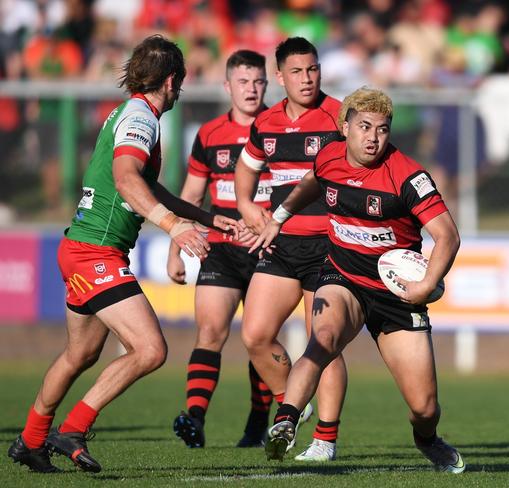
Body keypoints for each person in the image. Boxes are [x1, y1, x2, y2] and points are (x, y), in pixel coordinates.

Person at [7, 35, 237, 474]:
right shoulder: (141, 117)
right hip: (95, 252)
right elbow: (127, 177)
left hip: (81, 246)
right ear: (172, 81)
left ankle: (31, 441)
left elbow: (149, 186)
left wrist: (204, 218)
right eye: (181, 82)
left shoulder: (128, 112)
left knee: (80, 356)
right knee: (150, 349)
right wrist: (174, 227)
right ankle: (72, 429)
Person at [253, 87, 466, 473]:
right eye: (364, 127)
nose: (373, 137)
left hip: (397, 293)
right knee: (323, 340)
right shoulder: (329, 156)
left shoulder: (408, 175)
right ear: (345, 126)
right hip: (343, 276)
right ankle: (285, 421)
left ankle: (427, 440)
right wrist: (279, 217)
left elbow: (447, 235)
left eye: (382, 129)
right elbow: (313, 183)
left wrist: (425, 283)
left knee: (424, 407)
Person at [234, 37, 347, 462]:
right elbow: (247, 166)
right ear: (279, 77)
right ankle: (292, 403)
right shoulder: (266, 123)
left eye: (313, 69)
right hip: (282, 246)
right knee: (255, 335)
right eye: (297, 72)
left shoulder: (340, 116)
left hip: (331, 247)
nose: (306, 78)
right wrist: (247, 207)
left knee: (324, 344)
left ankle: (325, 441)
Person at [167, 49, 275, 448]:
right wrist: (175, 246)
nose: (251, 89)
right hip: (222, 249)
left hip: (269, 251)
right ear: (227, 86)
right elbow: (192, 194)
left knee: (258, 338)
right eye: (243, 81)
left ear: (268, 84)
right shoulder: (210, 134)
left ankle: (258, 421)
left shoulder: (279, 129)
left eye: (258, 81)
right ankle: (194, 418)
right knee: (210, 330)